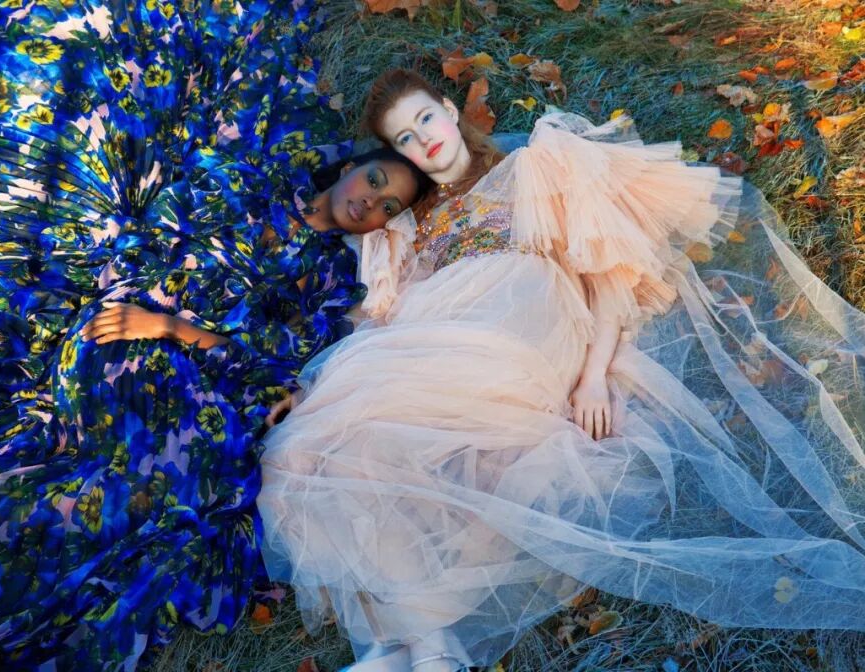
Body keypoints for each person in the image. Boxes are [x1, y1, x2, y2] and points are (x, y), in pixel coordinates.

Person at [0, 0, 429, 667]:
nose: (370, 201)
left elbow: (268, 361)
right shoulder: (250, 183)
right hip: (120, 341)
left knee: (182, 485)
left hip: (189, 366)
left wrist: (176, 329)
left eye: (387, 207)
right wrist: (154, 317)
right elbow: (155, 238)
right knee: (127, 472)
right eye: (375, 180)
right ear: (352, 165)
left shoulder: (326, 277)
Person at [259, 68, 865, 672]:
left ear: (448, 107)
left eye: (425, 118)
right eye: (406, 139)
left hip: (518, 329)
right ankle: (422, 647)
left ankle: (414, 646)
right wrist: (314, 387)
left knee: (442, 458)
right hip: (433, 338)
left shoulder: (536, 165)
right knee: (304, 453)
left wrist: (594, 374)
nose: (424, 139)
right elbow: (380, 326)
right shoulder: (404, 228)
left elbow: (607, 274)